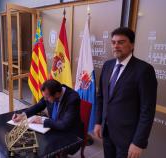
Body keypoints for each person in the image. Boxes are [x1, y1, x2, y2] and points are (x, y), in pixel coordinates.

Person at [94, 27, 157, 158]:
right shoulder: (107, 65)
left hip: (128, 138)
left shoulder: (144, 70)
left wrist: (138, 142)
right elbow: (101, 97)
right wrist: (98, 122)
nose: (116, 46)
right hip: (107, 132)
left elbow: (147, 110)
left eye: (121, 42)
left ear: (132, 45)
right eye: (113, 42)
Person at [12, 79, 84, 154]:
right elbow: (39, 105)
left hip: (70, 134)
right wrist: (23, 115)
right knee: (31, 141)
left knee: (43, 148)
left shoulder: (73, 99)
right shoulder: (51, 91)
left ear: (56, 94)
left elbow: (64, 124)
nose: (45, 99)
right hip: (54, 128)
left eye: (47, 97)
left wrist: (42, 121)